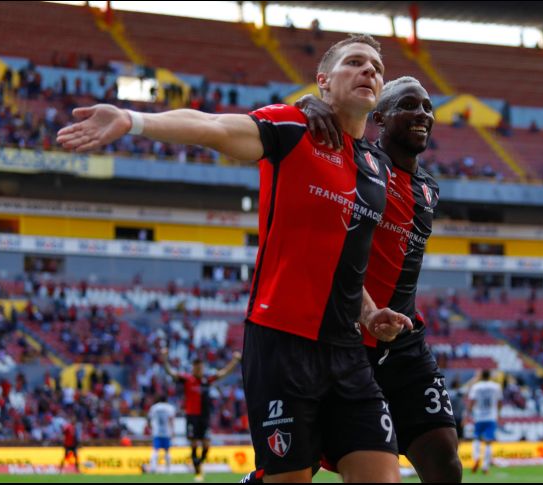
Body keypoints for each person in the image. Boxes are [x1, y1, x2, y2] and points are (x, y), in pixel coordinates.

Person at [58, 34, 412, 483]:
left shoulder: (376, 168)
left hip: (347, 351)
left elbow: (343, 261)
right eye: (355, 63)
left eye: (377, 67)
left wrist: (368, 312)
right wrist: (133, 119)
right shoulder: (292, 127)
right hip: (282, 342)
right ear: (323, 80)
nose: (369, 71)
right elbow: (215, 128)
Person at [242, 76, 460, 483]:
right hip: (347, 339)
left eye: (428, 108)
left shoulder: (429, 189)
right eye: (409, 106)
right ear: (378, 117)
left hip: (405, 344)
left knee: (445, 459)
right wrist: (309, 102)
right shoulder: (357, 164)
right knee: (299, 466)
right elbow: (314, 126)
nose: (422, 115)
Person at [163, 351, 241, 481]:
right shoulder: (187, 379)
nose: (198, 369)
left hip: (204, 417)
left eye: (200, 367)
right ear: (193, 368)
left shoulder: (207, 380)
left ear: (202, 368)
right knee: (194, 444)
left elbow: (223, 373)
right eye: (196, 367)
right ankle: (198, 473)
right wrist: (165, 358)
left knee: (206, 445)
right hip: (192, 417)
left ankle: (199, 463)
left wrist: (234, 361)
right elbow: (170, 372)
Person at [467, 369, 503, 474]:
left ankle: (476, 458)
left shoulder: (476, 387)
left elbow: (471, 402)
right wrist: (499, 414)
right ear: (490, 376)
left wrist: (467, 415)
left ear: (481, 376)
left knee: (476, 439)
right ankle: (485, 467)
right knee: (488, 442)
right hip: (491, 417)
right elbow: (500, 402)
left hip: (478, 416)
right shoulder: (496, 386)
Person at [146, 400, 177, 473]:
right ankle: (168, 469)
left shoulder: (154, 407)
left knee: (155, 450)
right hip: (166, 433)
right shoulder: (170, 408)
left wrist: (150, 426)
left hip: (157, 432)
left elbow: (149, 418)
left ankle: (153, 468)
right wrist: (172, 431)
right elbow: (171, 420)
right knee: (167, 451)